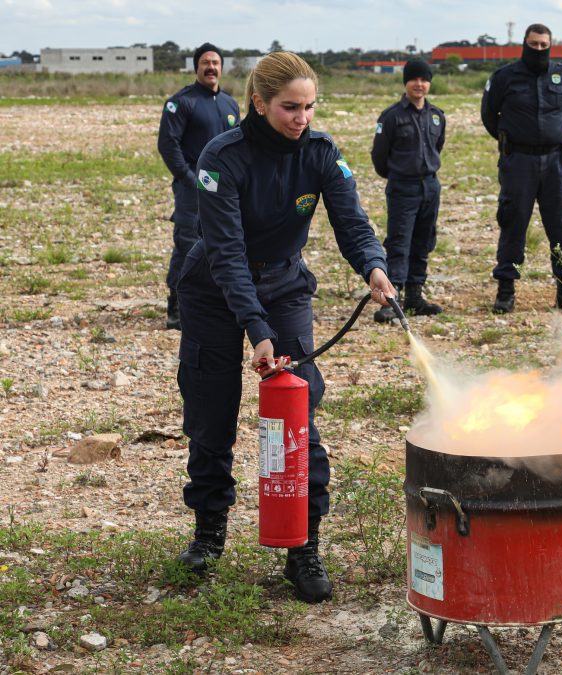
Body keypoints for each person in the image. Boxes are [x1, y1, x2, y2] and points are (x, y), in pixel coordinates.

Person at [174, 51, 395, 604]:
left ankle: (304, 546)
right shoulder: (221, 157)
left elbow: (351, 222)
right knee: (211, 411)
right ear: (259, 102)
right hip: (214, 291)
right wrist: (257, 329)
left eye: (309, 107)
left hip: (285, 287)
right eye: (290, 107)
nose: (302, 118)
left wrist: (374, 268)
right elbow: (224, 253)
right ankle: (209, 533)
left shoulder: (321, 153)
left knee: (298, 416)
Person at [481, 23, 562, 314]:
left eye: (543, 45)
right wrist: (512, 139)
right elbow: (489, 114)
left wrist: (557, 135)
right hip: (519, 162)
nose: (538, 49)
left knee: (561, 226)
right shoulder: (505, 77)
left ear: (550, 45)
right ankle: (506, 290)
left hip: (555, 162)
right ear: (524, 44)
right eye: (534, 44)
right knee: (513, 224)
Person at [157, 42, 240, 330]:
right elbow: (168, 145)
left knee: (226, 242)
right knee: (187, 245)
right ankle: (177, 308)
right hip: (192, 188)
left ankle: (217, 303)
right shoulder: (181, 102)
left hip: (225, 190)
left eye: (215, 62)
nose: (211, 67)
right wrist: (190, 180)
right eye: (205, 62)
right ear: (196, 67)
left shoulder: (230, 104)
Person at [370, 58, 446, 324]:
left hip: (430, 185)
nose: (419, 84)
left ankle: (415, 296)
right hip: (403, 186)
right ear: (406, 82)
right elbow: (379, 156)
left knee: (424, 241)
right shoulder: (392, 116)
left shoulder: (436, 115)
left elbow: (439, 147)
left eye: (424, 79)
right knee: (400, 243)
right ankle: (394, 300)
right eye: (414, 79)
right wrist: (399, 175)